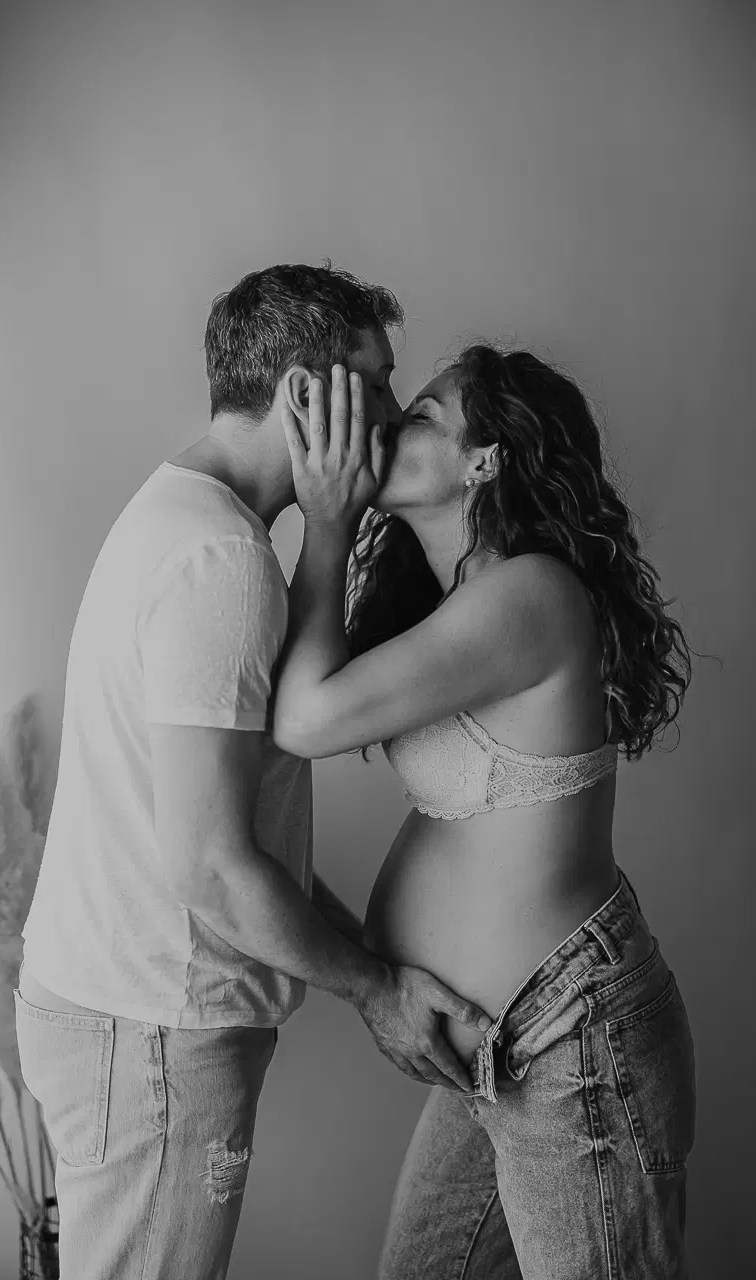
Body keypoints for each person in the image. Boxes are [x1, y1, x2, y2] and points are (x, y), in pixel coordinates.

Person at [14, 264, 492, 1280]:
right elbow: (213, 867)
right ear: (303, 394)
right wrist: (374, 990)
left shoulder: (189, 518)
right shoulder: (220, 563)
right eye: (377, 381)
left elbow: (234, 835)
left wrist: (373, 954)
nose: (393, 413)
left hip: (126, 1018)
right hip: (155, 1032)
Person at [273, 347, 696, 1279]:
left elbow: (303, 720)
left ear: (485, 459)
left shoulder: (528, 594)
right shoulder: (456, 601)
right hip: (501, 1055)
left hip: (571, 1044)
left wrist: (328, 521)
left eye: (422, 415)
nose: (390, 424)